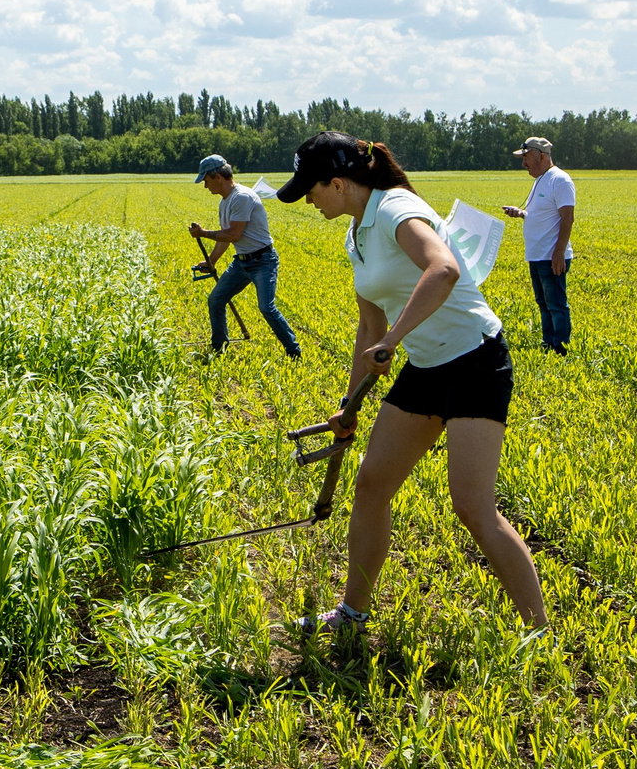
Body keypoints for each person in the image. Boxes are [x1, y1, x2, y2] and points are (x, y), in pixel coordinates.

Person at [280, 130, 544, 634]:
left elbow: (442, 270)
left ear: (337, 183)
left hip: (474, 360)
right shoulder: (356, 235)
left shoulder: (396, 209)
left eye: (310, 191)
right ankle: (352, 614)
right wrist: (350, 404)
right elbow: (369, 327)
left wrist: (394, 340)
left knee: (472, 507)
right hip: (426, 367)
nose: (309, 201)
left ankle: (539, 632)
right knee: (371, 486)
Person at [188, 153, 301, 360]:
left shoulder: (242, 197)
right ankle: (219, 347)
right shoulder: (225, 202)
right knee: (216, 300)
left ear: (217, 177)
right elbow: (226, 238)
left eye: (206, 180)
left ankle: (293, 351)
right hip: (242, 263)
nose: (205, 186)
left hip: (263, 261)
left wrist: (203, 233)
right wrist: (211, 261)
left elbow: (233, 234)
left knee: (266, 307)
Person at [502, 136, 575, 356]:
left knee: (556, 304)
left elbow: (567, 218)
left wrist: (559, 253)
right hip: (536, 255)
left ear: (541, 156)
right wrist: (521, 213)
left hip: (551, 256)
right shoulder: (540, 180)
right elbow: (543, 215)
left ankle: (560, 348)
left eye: (526, 157)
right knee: (543, 303)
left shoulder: (560, 180)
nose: (523, 163)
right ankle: (548, 343)